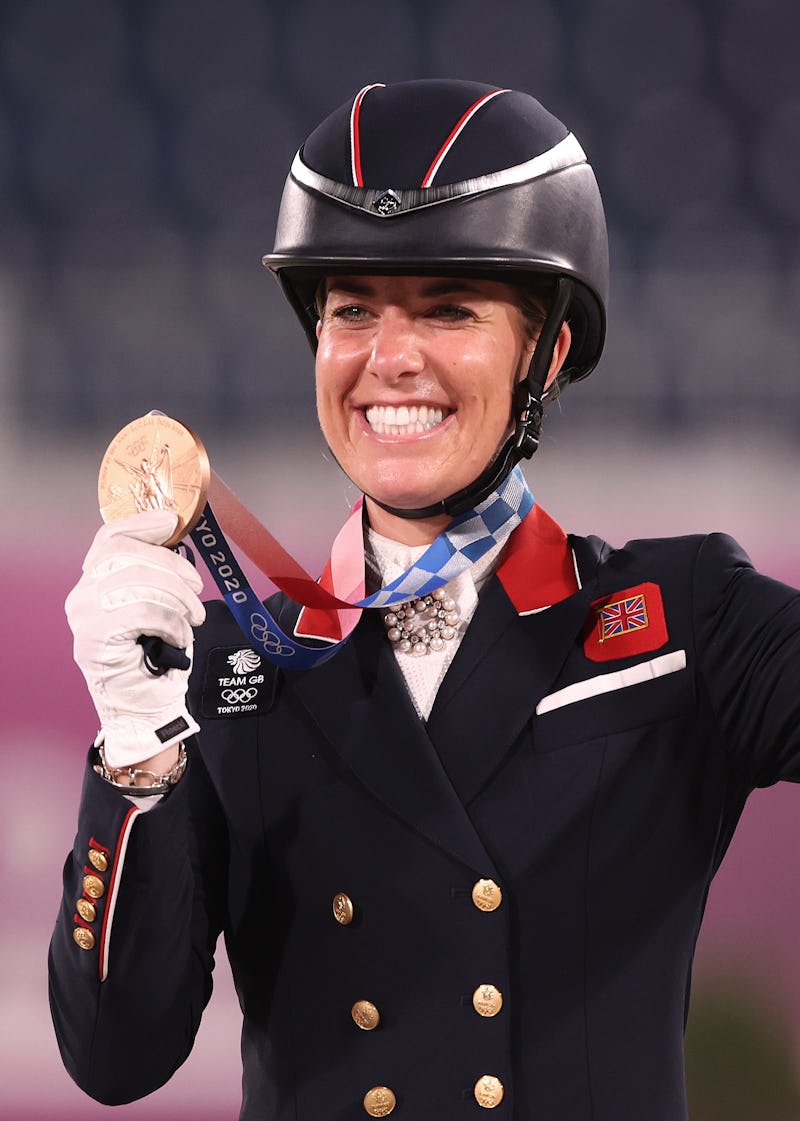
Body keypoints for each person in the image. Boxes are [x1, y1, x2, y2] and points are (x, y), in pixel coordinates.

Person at [48, 79, 800, 1121]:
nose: (388, 358)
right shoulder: (225, 667)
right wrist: (136, 744)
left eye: (448, 307)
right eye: (351, 308)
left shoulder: (680, 620)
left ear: (550, 350)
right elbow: (113, 1054)